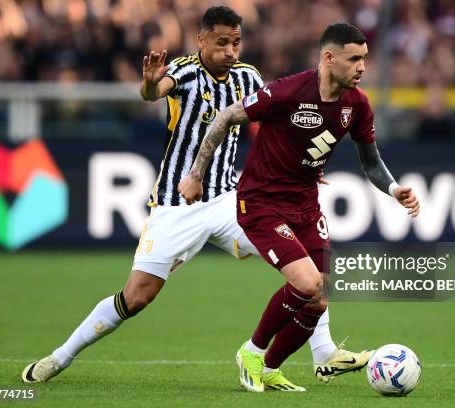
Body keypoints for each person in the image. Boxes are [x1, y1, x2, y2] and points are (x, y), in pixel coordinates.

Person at [21, 7, 368, 384]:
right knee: (136, 297)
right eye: (222, 43)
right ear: (201, 40)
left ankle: (323, 353)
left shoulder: (248, 76)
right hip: (177, 203)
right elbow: (154, 91)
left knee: (310, 272)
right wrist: (151, 84)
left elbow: (278, 116)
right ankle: (60, 357)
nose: (231, 51)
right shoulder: (186, 71)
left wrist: (303, 165)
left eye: (236, 43)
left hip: (231, 202)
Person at [179, 22, 420, 392]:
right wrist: (196, 174)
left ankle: (271, 366)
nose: (362, 67)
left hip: (305, 204)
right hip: (261, 202)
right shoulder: (287, 91)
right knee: (306, 283)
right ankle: (252, 351)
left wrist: (393, 188)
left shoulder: (357, 105)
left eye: (365, 59)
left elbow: (371, 162)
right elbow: (227, 117)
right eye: (354, 59)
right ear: (328, 57)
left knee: (321, 294)